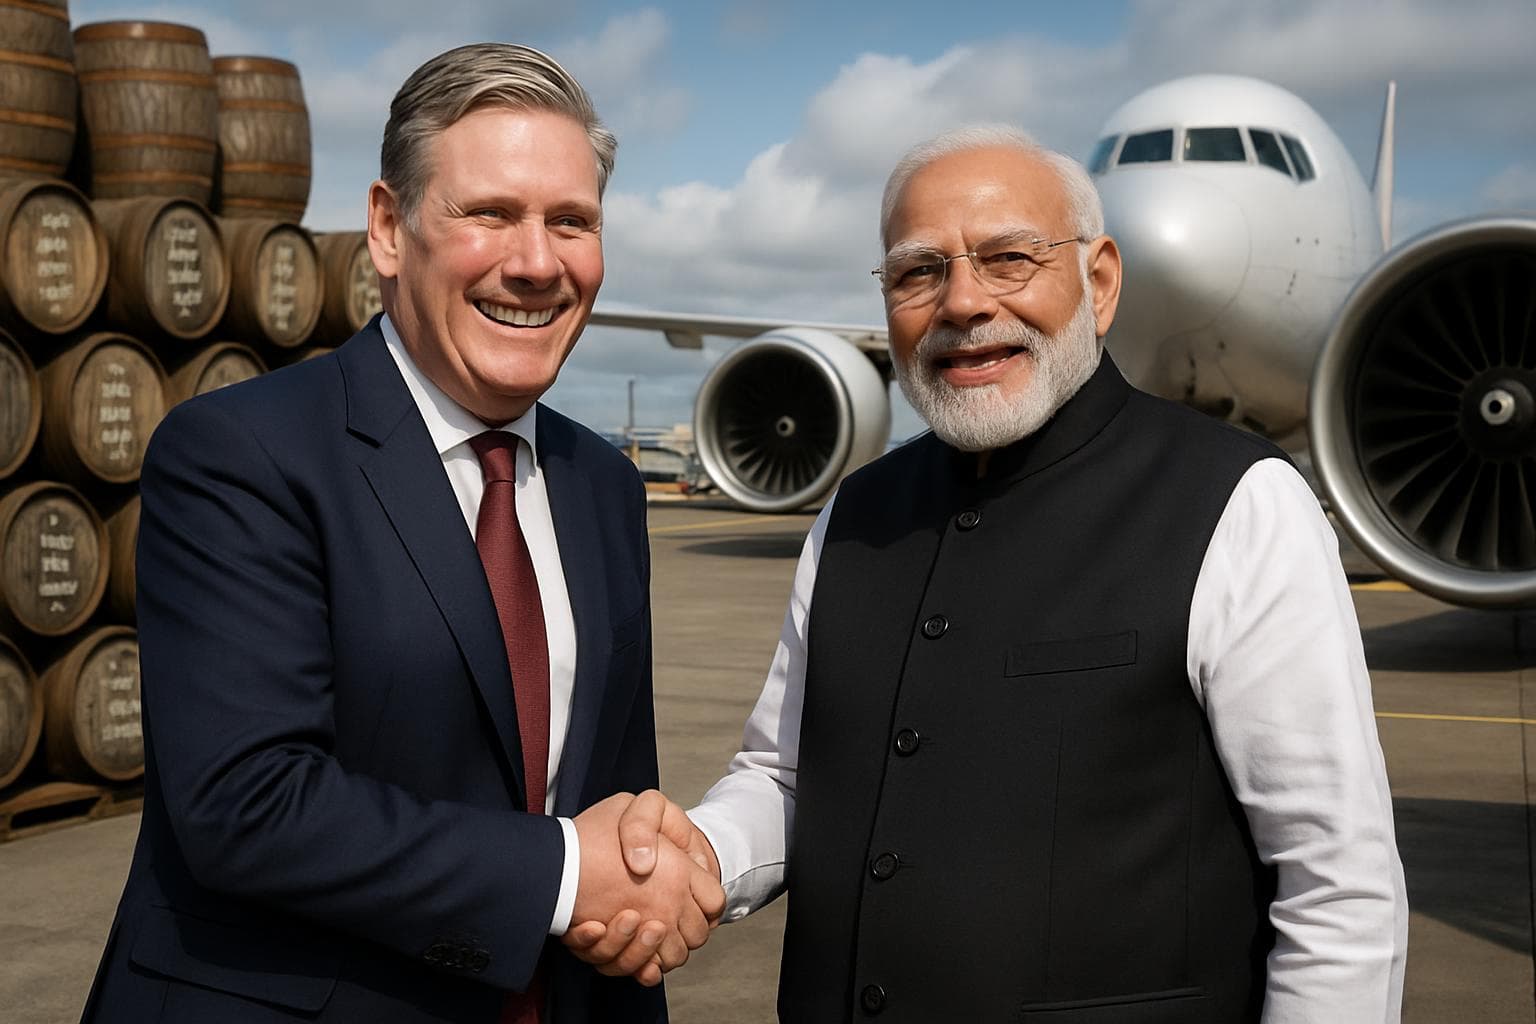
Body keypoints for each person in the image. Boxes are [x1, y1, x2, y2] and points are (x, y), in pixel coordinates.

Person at [575, 125, 1409, 1021]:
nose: (963, 303)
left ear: (1098, 281)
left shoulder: (1239, 505)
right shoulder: (854, 519)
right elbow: (788, 779)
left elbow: (1337, 888)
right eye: (917, 271)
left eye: (1009, 259)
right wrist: (697, 856)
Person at [81, 43, 721, 1024]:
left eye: (571, 222)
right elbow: (248, 802)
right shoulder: (241, 453)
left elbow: (613, 807)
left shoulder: (603, 485)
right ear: (388, 227)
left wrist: (639, 896)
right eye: (491, 213)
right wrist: (559, 874)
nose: (538, 263)